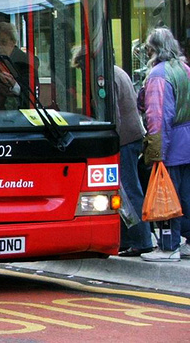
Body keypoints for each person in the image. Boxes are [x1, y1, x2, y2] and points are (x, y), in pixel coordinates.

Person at [74, 48, 152, 256]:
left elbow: (112, 114)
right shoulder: (117, 71)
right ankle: (127, 238)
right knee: (125, 191)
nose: (82, 71)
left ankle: (142, 240)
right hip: (132, 136)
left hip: (123, 140)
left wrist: (107, 142)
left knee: (129, 190)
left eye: (81, 66)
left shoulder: (104, 77)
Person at [139, 27, 190, 262]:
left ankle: (169, 246)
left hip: (171, 146)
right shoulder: (185, 69)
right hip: (187, 142)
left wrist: (156, 151)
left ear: (154, 49)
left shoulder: (159, 75)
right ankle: (187, 241)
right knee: (186, 196)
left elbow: (158, 116)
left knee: (166, 196)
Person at [0, 22, 39, 109]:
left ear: (13, 42)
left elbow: (31, 96)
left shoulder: (26, 62)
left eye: (4, 42)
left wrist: (14, 85)